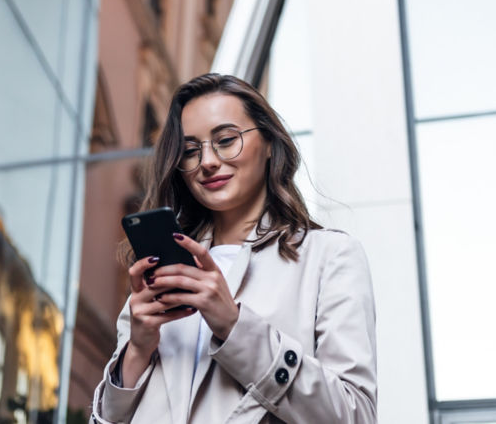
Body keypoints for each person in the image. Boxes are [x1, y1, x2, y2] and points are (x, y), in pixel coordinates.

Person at [90, 73, 377, 423]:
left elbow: (355, 414)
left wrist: (235, 326)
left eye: (226, 140)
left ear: (270, 143)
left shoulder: (330, 257)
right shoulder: (162, 272)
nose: (207, 161)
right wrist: (136, 350)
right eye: (190, 151)